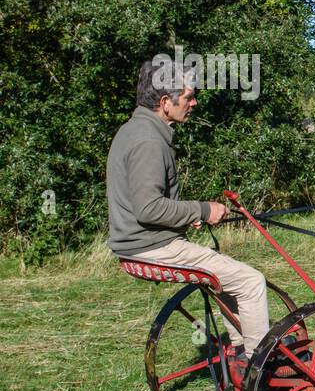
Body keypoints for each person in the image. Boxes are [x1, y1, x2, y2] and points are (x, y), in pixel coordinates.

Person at [107, 56, 270, 357]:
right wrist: (203, 210)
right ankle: (258, 367)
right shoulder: (148, 142)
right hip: (150, 247)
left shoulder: (134, 130)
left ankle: (239, 348)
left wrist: (186, 217)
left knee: (227, 274)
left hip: (144, 242)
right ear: (166, 102)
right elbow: (148, 208)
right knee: (251, 281)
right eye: (189, 96)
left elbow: (147, 205)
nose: (193, 103)